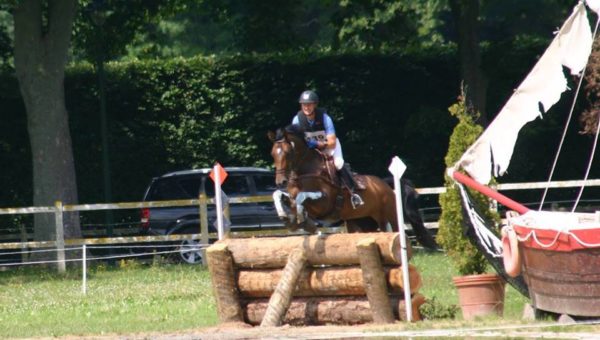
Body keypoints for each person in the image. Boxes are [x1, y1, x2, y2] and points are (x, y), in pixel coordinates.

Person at [291, 90, 364, 208]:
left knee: (339, 163)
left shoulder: (325, 118)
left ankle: (353, 193)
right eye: (304, 104)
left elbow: (331, 142)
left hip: (328, 147)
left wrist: (317, 144)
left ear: (315, 105)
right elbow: (298, 142)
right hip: (311, 151)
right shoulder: (297, 120)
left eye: (309, 104)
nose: (306, 107)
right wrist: (313, 144)